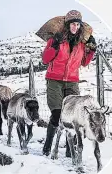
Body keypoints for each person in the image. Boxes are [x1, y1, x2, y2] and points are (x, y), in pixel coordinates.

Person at [42, 10, 97, 156]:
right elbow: (45, 60)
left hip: (72, 82)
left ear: (80, 26)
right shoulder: (57, 39)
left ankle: (69, 151)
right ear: (67, 25)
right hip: (54, 80)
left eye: (77, 25)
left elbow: (84, 62)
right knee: (57, 114)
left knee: (72, 117)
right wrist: (54, 44)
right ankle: (47, 146)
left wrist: (91, 50)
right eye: (72, 24)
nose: (75, 27)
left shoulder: (81, 44)